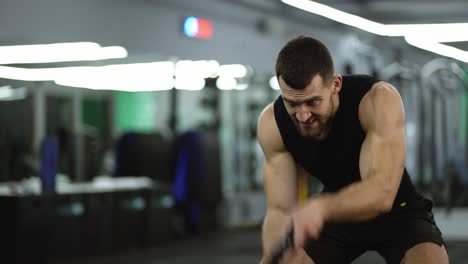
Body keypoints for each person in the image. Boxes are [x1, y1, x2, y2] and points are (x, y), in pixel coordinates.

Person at [257, 35, 449, 264]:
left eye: (313, 102)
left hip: (397, 211)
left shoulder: (376, 99)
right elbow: (279, 209)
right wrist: (273, 256)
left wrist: (320, 208)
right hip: (337, 214)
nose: (303, 115)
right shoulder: (273, 124)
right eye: (293, 103)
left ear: (335, 85)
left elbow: (381, 194)